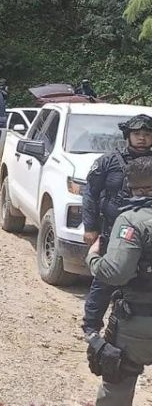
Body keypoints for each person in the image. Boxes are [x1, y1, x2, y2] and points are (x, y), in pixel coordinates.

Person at [85, 155, 152, 404]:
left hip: (139, 321)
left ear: (132, 187)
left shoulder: (131, 220)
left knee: (118, 387)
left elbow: (116, 273)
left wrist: (93, 259)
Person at [83, 115, 152, 334]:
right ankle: (91, 328)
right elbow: (90, 193)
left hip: (146, 234)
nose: (142, 138)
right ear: (128, 136)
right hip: (113, 232)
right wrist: (90, 227)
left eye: (147, 134)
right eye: (137, 134)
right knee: (104, 281)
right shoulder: (109, 161)